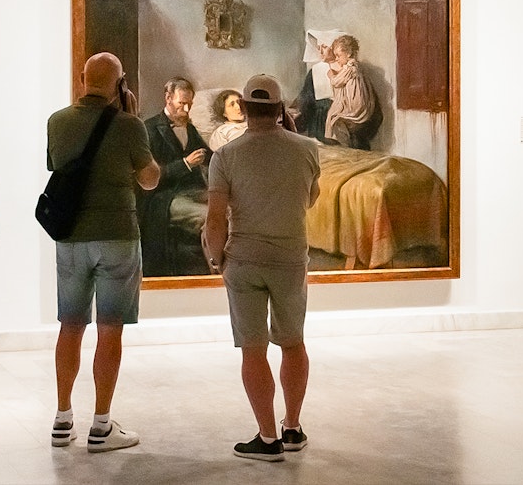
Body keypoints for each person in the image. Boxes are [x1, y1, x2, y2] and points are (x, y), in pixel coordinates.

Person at [46, 52, 160, 453]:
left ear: (82, 78)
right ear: (120, 83)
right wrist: (128, 124)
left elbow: (56, 166)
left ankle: (62, 419)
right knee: (110, 328)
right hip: (117, 236)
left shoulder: (57, 122)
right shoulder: (130, 125)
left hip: (72, 236)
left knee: (70, 326)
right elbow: (150, 180)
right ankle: (101, 424)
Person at [204, 74, 320, 462]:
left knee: (253, 351)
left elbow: (215, 218)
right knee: (293, 342)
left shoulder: (226, 156)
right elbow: (310, 197)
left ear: (247, 109)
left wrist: (216, 258)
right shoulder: (307, 149)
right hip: (290, 260)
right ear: (280, 109)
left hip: (245, 260)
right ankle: (293, 427)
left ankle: (267, 437)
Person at [139, 77, 211, 277]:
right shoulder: (149, 129)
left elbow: (210, 156)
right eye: (182, 104)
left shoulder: (190, 128)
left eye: (189, 104)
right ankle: (214, 270)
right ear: (168, 98)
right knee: (208, 216)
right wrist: (186, 164)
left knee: (227, 209)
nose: (187, 110)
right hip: (164, 198)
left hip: (192, 191)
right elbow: (149, 178)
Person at [324, 35, 382, 150]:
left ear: (349, 54)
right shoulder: (354, 66)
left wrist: (331, 76)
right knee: (336, 118)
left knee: (335, 118)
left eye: (338, 55)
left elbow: (337, 81)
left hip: (357, 108)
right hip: (360, 105)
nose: (337, 59)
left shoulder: (351, 67)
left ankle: (348, 150)